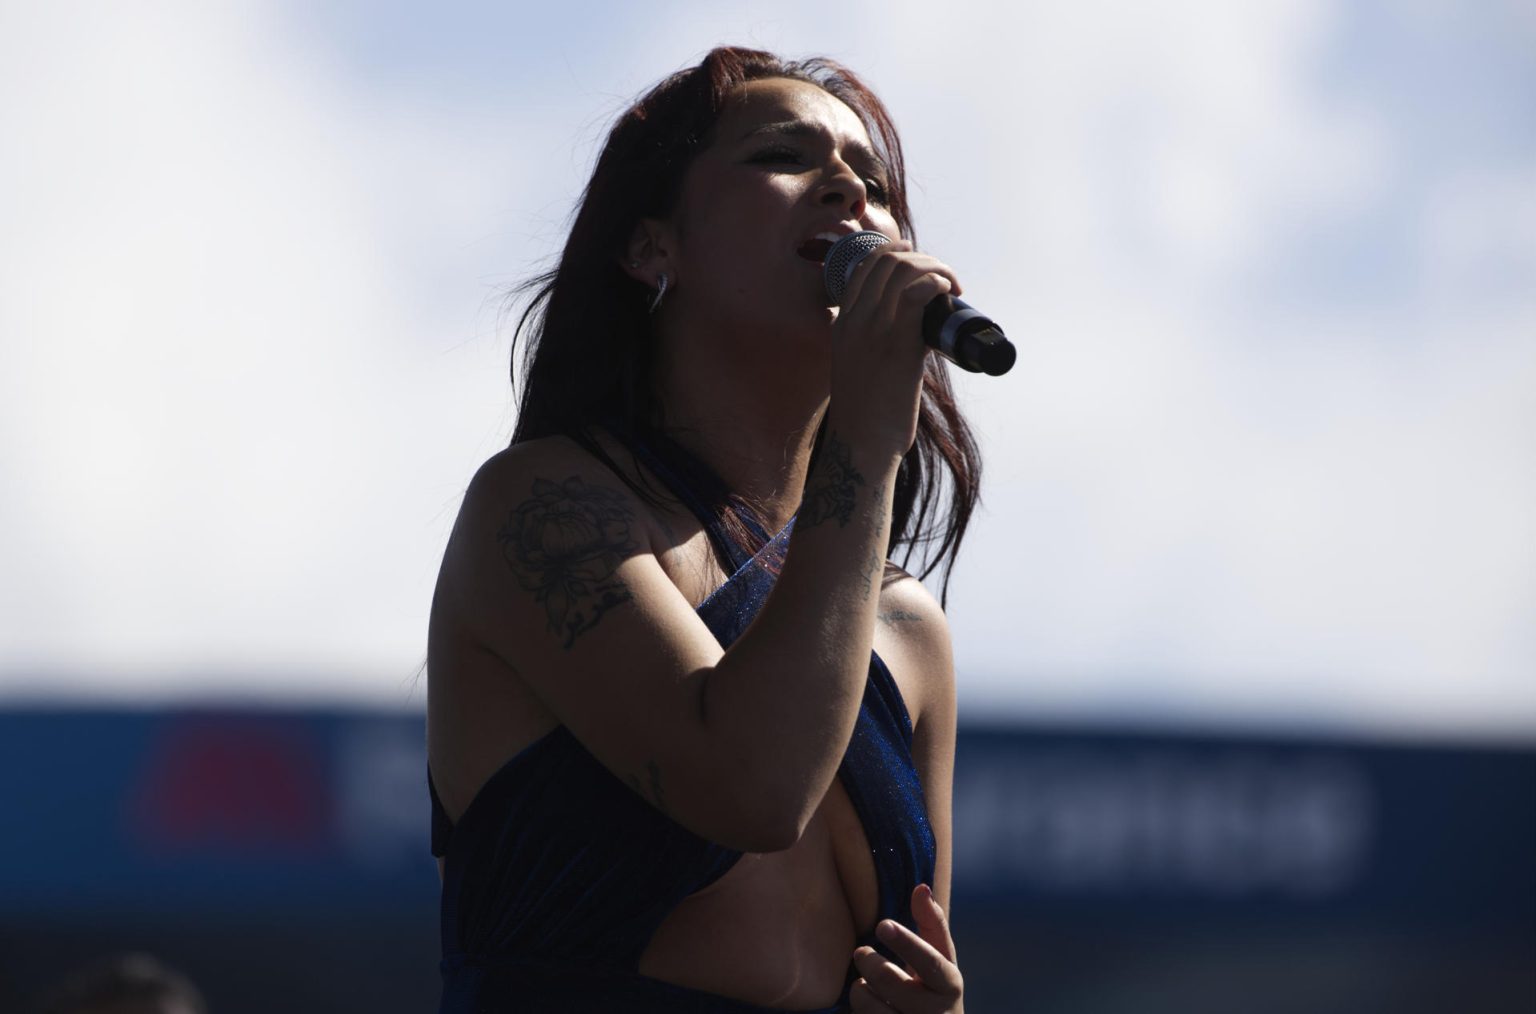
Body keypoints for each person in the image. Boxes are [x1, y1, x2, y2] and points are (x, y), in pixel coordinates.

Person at [427, 45, 981, 1013]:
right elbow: (755, 788)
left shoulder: (908, 632)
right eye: (784, 154)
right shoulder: (545, 512)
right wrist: (866, 431)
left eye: (875, 180)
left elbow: (919, 960)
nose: (847, 186)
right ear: (652, 247)